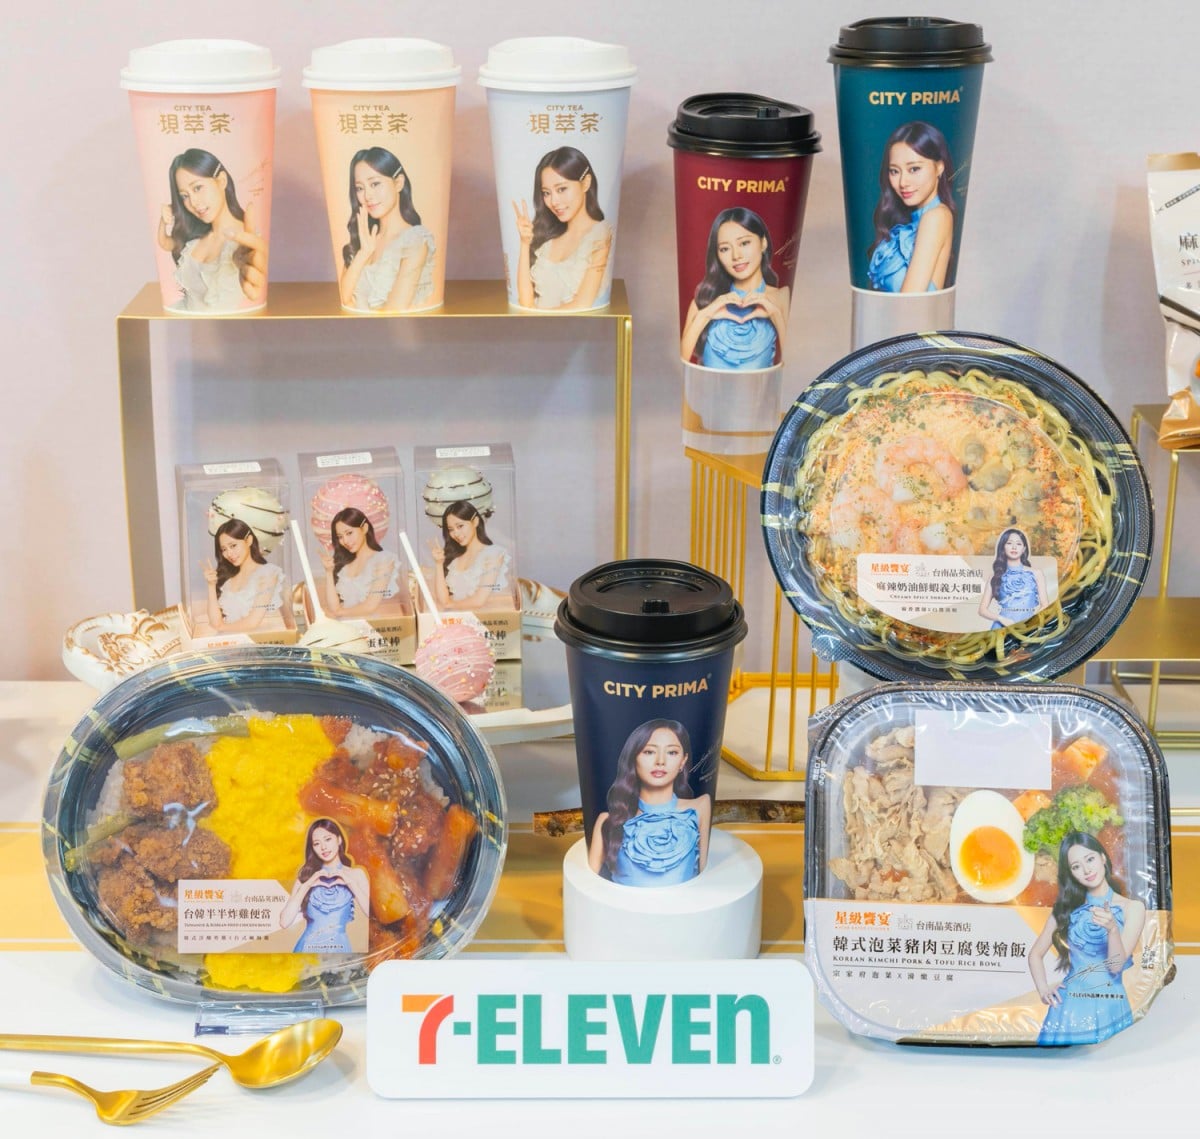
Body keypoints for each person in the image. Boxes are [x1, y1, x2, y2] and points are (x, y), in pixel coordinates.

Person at [1029, 832, 1146, 1045]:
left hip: (1110, 1003)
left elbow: (1115, 967)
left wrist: (1112, 930)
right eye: (1076, 866)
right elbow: (1035, 954)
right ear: (1071, 873)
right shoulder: (1065, 909)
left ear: (1103, 857)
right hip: (1068, 1006)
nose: (1086, 870)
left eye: (1090, 859)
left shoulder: (1132, 908)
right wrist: (1044, 990)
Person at [587, 719, 711, 887]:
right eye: (649, 752)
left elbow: (705, 880)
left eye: (672, 752)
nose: (660, 761)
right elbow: (588, 885)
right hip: (622, 904)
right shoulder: (608, 821)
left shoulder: (699, 807)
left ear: (683, 761)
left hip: (686, 904)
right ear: (633, 758)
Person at [680, 207, 789, 370]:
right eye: (725, 248)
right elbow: (684, 365)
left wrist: (775, 314)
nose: (736, 256)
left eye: (744, 243)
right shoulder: (704, 302)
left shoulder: (781, 296)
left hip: (765, 387)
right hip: (706, 387)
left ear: (763, 243)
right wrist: (706, 314)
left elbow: (789, 362)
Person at [157, 148, 267, 311]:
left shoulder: (247, 241)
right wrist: (163, 221)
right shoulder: (195, 240)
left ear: (221, 180)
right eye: (184, 196)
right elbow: (165, 243)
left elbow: (251, 278)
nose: (193, 202)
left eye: (197, 188)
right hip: (184, 319)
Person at [512, 146, 612, 310]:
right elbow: (525, 302)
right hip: (537, 324)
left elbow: (582, 304)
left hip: (570, 325)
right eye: (546, 193)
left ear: (585, 183)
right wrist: (524, 243)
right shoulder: (547, 243)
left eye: (562, 189)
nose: (554, 201)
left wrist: (539, 317)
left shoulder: (600, 235)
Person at [339, 147, 436, 311]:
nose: (367, 196)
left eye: (375, 184)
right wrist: (364, 253)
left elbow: (395, 311)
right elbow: (344, 299)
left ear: (398, 183)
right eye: (360, 188)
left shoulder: (415, 241)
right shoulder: (363, 239)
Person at [867, 121, 956, 294]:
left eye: (914, 169)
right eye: (894, 171)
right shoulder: (907, 225)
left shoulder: (936, 216)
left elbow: (910, 300)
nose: (903, 182)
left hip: (912, 313)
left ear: (939, 167)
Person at [280, 819, 370, 953]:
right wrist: (307, 885)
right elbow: (284, 922)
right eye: (317, 843)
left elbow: (371, 914)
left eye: (328, 839)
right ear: (313, 848)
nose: (323, 847)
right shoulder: (307, 877)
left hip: (339, 949)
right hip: (306, 949)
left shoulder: (356, 875)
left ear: (339, 839)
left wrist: (350, 883)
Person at [201, 518, 287, 633]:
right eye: (224, 549)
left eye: (233, 545)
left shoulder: (268, 573)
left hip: (257, 641)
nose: (229, 553)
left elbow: (253, 622)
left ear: (249, 540)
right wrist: (211, 585)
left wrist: (221, 627)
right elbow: (214, 622)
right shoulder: (228, 581)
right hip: (229, 640)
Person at [429, 500, 512, 611]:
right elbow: (443, 601)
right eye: (451, 529)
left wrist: (449, 604)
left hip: (486, 619)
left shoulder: (493, 554)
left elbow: (479, 601)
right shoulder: (455, 559)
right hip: (458, 618)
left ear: (475, 522)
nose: (456, 533)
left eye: (460, 526)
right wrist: (439, 563)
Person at [319, 507, 400, 619]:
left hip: (372, 625)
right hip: (344, 624)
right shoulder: (345, 565)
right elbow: (334, 608)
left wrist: (339, 612)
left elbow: (370, 606)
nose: (345, 541)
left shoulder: (383, 560)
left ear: (364, 528)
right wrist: (328, 571)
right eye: (340, 537)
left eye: (349, 533)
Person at [978, 528, 1049, 629]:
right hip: (1001, 628)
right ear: (1003, 547)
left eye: (1019, 544)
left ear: (1024, 549)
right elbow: (982, 610)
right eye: (1009, 543)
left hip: (1027, 628)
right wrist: (1001, 619)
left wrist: (1032, 623)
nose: (1014, 547)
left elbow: (1045, 605)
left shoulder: (1036, 573)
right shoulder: (995, 576)